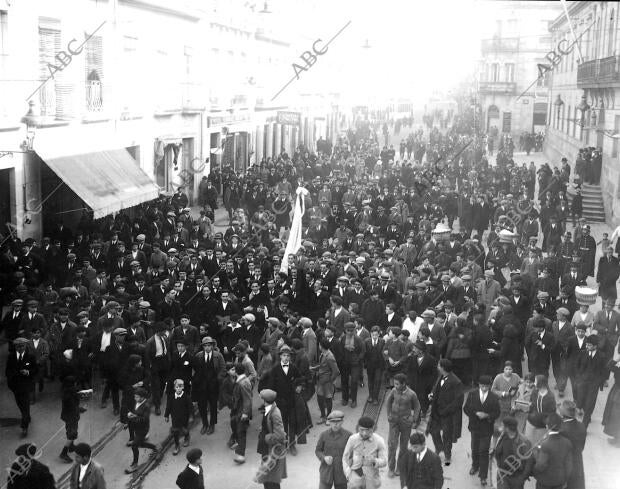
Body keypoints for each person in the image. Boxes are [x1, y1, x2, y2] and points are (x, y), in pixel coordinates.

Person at [463, 375, 500, 486]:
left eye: (487, 386)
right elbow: (466, 409)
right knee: (474, 448)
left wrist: (487, 415)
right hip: (474, 427)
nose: (484, 388)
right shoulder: (472, 394)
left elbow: (497, 413)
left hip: (487, 429)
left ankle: (483, 476)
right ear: (479, 385)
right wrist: (475, 414)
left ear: (489, 386)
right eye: (482, 386)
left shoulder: (494, 397)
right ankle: (475, 465)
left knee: (483, 451)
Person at [428, 359, 463, 466]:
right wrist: (432, 394)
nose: (437, 367)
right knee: (433, 431)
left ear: (443, 368)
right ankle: (439, 448)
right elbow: (436, 389)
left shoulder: (456, 382)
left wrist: (446, 410)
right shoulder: (441, 376)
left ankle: (447, 455)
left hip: (448, 413)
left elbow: (458, 401)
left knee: (447, 435)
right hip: (437, 410)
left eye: (439, 365)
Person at [385, 373, 421, 478]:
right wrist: (388, 415)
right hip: (394, 422)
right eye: (394, 383)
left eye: (397, 384)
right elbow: (388, 402)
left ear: (404, 384)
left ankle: (400, 468)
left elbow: (417, 407)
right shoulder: (393, 391)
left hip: (406, 422)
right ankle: (391, 468)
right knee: (392, 445)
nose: (395, 386)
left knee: (403, 447)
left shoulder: (412, 394)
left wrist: (414, 419)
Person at [342, 416, 387, 489]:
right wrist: (348, 474)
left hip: (371, 480)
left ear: (373, 429)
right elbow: (345, 458)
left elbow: (384, 461)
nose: (365, 433)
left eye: (368, 430)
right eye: (362, 430)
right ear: (358, 428)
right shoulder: (352, 439)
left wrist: (374, 461)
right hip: (355, 480)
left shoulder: (379, 440)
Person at [193, 336, 226, 435]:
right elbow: (194, 369)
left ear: (212, 346)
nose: (207, 348)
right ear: (202, 347)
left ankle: (212, 425)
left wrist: (217, 379)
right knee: (202, 406)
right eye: (205, 346)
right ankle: (205, 424)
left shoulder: (218, 356)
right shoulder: (198, 356)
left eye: (209, 345)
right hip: (202, 386)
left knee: (213, 406)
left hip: (213, 385)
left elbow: (223, 369)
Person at [5, 337, 38, 437]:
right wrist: (11, 380)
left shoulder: (31, 357)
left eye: (22, 346)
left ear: (26, 346)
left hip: (26, 385)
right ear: (15, 347)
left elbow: (35, 370)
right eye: (18, 346)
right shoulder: (11, 357)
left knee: (25, 405)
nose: (20, 348)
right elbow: (7, 371)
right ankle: (27, 417)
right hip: (15, 386)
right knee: (20, 404)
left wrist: (28, 372)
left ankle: (24, 427)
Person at [255, 389, 287, 489]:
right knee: (267, 477)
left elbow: (279, 435)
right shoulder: (268, 409)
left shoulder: (275, 413)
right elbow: (269, 424)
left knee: (272, 479)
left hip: (272, 450)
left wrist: (266, 437)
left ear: (265, 400)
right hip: (267, 448)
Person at [573, 334, 607, 427]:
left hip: (593, 384)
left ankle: (585, 424)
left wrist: (600, 381)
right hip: (583, 382)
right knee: (581, 400)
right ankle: (585, 412)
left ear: (595, 346)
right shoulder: (582, 353)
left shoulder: (602, 356)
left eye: (589, 345)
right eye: (586, 344)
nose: (587, 346)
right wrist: (578, 378)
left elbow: (604, 371)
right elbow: (577, 366)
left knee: (590, 403)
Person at [532, 413, 573, 489]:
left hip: (545, 483)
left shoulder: (545, 444)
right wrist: (565, 480)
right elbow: (569, 466)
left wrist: (535, 452)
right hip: (559, 482)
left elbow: (540, 466)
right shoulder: (567, 442)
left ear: (547, 426)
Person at [314, 410, 352, 489]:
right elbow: (318, 450)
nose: (335, 424)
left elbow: (353, 453)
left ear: (342, 422)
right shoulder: (324, 435)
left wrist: (349, 464)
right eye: (333, 422)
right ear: (329, 423)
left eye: (338, 421)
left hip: (342, 473)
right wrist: (324, 458)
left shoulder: (349, 436)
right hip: (326, 472)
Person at [492, 417, 533, 489]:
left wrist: (523, 477)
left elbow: (529, 461)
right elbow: (495, 431)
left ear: (507, 428)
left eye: (502, 425)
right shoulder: (503, 435)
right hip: (502, 474)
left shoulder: (524, 441)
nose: (500, 427)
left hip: (516, 477)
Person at [125, 387, 158, 473]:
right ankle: (155, 447)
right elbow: (135, 412)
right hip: (137, 427)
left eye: (137, 397)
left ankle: (135, 464)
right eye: (135, 397)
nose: (135, 399)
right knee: (141, 443)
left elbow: (145, 419)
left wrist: (133, 417)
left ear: (143, 397)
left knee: (134, 445)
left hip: (143, 429)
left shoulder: (146, 406)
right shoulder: (137, 403)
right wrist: (131, 415)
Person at [559, 400, 586, 489]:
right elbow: (582, 446)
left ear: (563, 413)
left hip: (565, 464)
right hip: (578, 461)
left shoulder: (561, 429)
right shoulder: (582, 426)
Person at [313, 338, 340, 424]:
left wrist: (330, 381)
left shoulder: (329, 357)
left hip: (327, 382)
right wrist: (314, 368)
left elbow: (336, 371)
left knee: (328, 399)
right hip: (321, 381)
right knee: (320, 398)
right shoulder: (323, 354)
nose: (318, 346)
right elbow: (322, 366)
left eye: (319, 344)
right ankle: (323, 416)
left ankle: (328, 417)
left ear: (322, 346)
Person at [230, 363, 253, 464]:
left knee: (241, 432)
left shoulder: (242, 383)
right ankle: (239, 445)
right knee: (236, 427)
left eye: (233, 369)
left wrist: (245, 413)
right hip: (237, 410)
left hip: (241, 411)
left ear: (236, 371)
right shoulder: (241, 380)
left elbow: (248, 399)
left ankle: (241, 455)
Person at [165, 379, 193, 456]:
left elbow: (190, 407)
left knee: (184, 429)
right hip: (175, 417)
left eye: (180, 387)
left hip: (184, 417)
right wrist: (166, 415)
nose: (178, 388)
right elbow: (168, 407)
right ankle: (177, 445)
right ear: (174, 388)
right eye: (177, 387)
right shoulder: (171, 397)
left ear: (183, 387)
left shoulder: (186, 397)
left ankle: (187, 436)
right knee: (175, 431)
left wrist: (190, 416)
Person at [60, 375, 81, 463]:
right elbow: (73, 406)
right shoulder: (71, 393)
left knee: (70, 431)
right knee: (72, 434)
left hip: (67, 415)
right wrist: (80, 409)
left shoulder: (66, 392)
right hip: (72, 416)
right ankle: (63, 453)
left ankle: (71, 447)